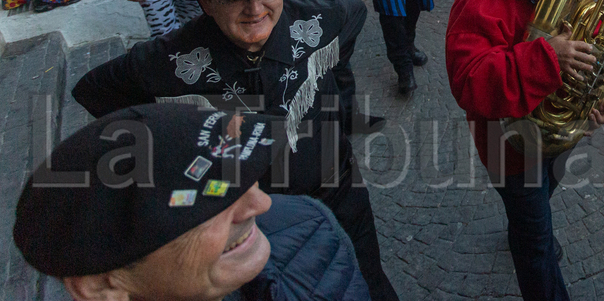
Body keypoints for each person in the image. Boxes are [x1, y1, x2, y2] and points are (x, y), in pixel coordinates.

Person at [72, 0, 398, 301]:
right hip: (252, 217)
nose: (255, 9)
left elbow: (354, 18)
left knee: (367, 281)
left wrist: (329, 81)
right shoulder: (177, 56)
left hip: (339, 194)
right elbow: (94, 90)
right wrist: (167, 147)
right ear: (207, 3)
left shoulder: (322, 18)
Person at [13, 103, 370, 301]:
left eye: (243, 177)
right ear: (100, 285)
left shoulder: (311, 226)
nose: (260, 204)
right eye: (209, 202)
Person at [445, 0, 604, 301]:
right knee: (535, 248)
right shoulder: (473, 4)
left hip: (554, 136)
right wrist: (547, 55)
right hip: (511, 149)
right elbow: (470, 84)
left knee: (537, 204)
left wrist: (597, 96)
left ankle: (525, 227)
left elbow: (590, 43)